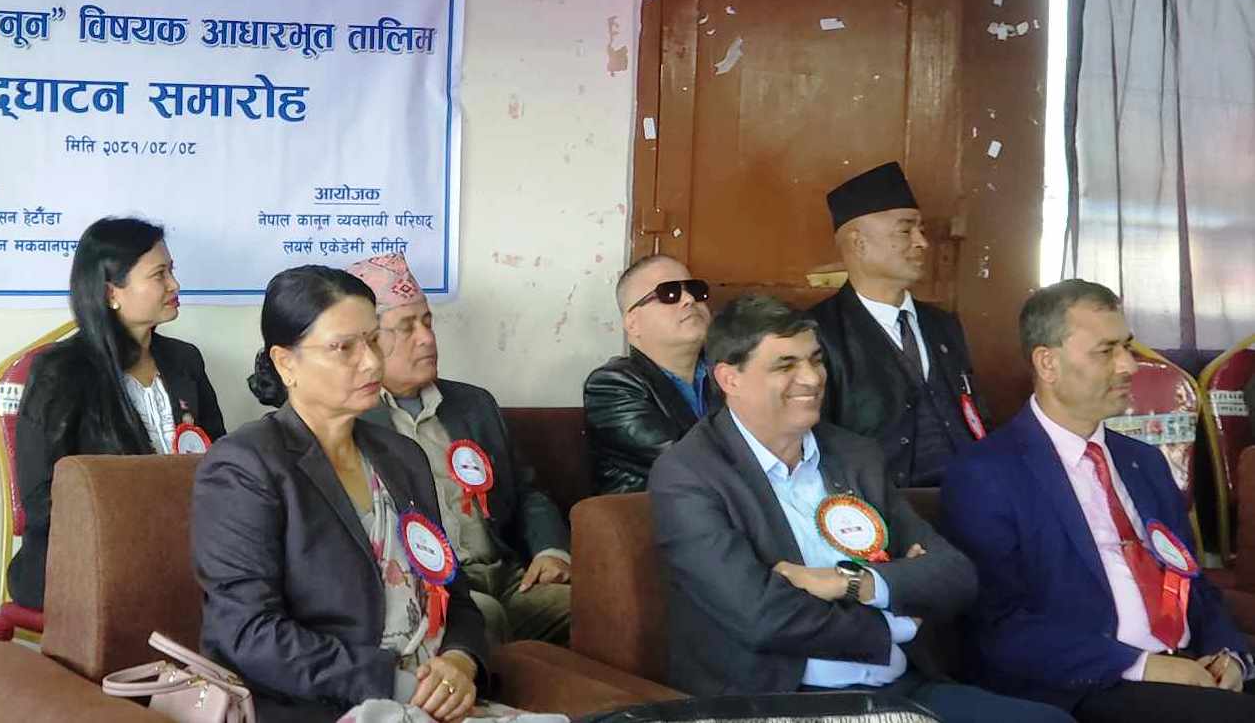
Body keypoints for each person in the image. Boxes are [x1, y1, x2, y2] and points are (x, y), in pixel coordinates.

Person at [650, 295, 1072, 723]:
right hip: (782, 698)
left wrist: (853, 584)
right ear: (729, 378)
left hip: (902, 689)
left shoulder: (853, 454)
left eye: (816, 360)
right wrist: (895, 624)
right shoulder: (690, 473)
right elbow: (761, 616)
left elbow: (955, 574)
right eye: (785, 365)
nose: (812, 378)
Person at [942, 279, 1253, 721]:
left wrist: (1229, 654)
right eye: (1106, 351)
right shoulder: (988, 473)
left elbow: (1194, 582)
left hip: (1189, 665)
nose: (1129, 366)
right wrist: (1142, 665)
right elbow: (999, 625)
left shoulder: (1144, 462)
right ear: (1048, 363)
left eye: (1126, 347)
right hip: (1091, 682)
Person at [194, 266, 488, 723]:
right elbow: (248, 633)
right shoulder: (244, 466)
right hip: (332, 705)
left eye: (372, 341)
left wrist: (460, 661)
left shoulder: (401, 456)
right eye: (343, 348)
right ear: (286, 363)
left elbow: (453, 590)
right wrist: (395, 684)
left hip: (433, 699)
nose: (370, 362)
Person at [348, 253, 572, 647]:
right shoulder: (352, 423)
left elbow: (526, 492)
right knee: (485, 619)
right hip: (435, 590)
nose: (427, 338)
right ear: (368, 342)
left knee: (596, 608)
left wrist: (551, 551)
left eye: (428, 322)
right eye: (407, 327)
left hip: (510, 578)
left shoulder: (473, 404)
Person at [9, 216, 224, 611]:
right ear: (112, 292)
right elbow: (41, 499)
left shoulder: (185, 361)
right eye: (159, 275)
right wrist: (138, 526)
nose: (174, 285)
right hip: (89, 559)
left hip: (184, 548)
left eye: (172, 271)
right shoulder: (62, 371)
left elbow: (221, 463)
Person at [811, 161, 988, 488]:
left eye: (921, 230)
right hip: (878, 506)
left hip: (969, 494)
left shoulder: (943, 325)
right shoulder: (818, 332)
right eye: (906, 231)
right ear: (859, 243)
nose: (922, 242)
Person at [584, 254, 713, 493]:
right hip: (655, 513)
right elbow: (686, 463)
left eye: (695, 290)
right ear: (632, 323)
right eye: (669, 293)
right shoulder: (611, 385)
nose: (689, 299)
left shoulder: (731, 372)